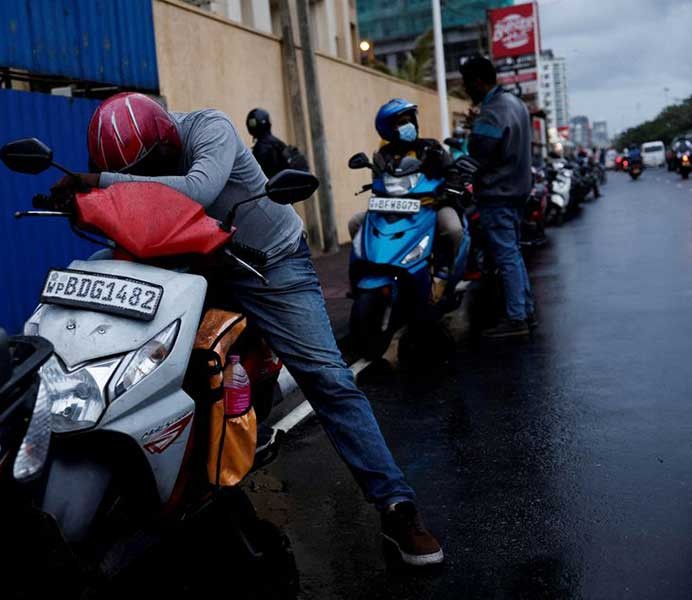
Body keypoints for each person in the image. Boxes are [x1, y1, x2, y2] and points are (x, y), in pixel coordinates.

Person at [52, 92, 444, 566]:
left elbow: (196, 189)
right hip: (192, 259)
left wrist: (101, 183)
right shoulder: (144, 160)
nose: (145, 179)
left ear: (166, 139)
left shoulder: (208, 128)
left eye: (150, 167)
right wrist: (79, 200)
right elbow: (136, 208)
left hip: (268, 263)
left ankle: (396, 504)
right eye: (134, 174)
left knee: (328, 378)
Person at [349, 99, 464, 303]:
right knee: (356, 223)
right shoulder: (382, 156)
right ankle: (364, 273)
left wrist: (448, 191)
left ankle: (443, 272)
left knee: (452, 228)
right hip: (393, 210)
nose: (408, 126)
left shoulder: (432, 148)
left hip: (430, 206)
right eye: (401, 122)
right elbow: (378, 182)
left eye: (409, 120)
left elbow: (452, 171)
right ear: (388, 129)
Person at [459, 55, 536, 338]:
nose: (466, 89)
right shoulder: (515, 103)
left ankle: (517, 318)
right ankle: (525, 310)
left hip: (498, 192)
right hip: (516, 190)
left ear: (478, 80)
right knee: (513, 253)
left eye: (467, 83)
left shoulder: (493, 110)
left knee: (506, 254)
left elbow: (480, 149)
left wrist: (473, 127)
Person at [245, 108, 288, 178]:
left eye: (252, 123)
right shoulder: (279, 143)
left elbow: (253, 173)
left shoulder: (262, 147)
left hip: (271, 186)